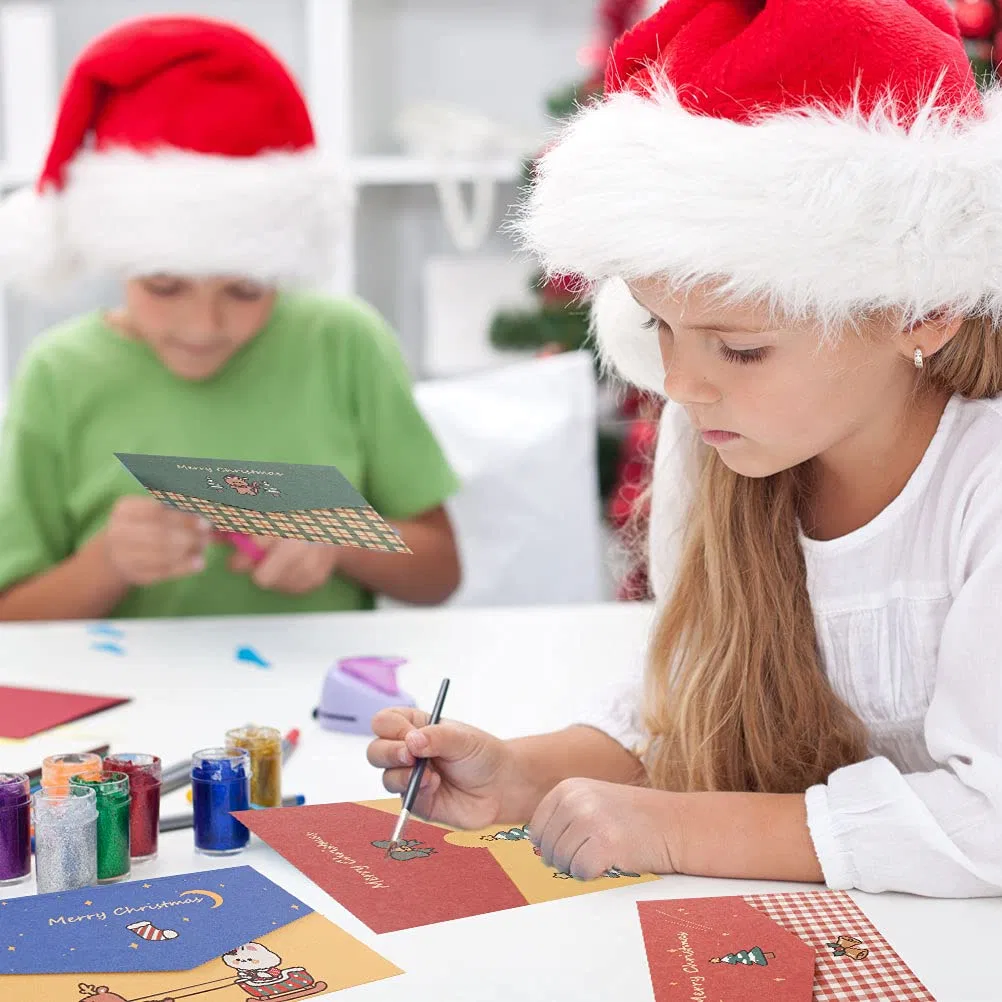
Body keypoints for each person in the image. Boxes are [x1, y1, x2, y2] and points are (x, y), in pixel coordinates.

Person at [368, 0, 1002, 898]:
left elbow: (991, 822)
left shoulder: (986, 487)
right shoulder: (721, 445)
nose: (685, 382)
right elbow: (686, 711)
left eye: (740, 346)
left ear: (924, 308)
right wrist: (521, 771)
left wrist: (674, 828)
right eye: (658, 324)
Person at [0, 15, 460, 620]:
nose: (203, 326)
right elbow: (11, 614)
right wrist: (106, 562)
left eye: (245, 290)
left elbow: (440, 572)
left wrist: (342, 538)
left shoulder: (344, 341)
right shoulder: (60, 372)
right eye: (164, 286)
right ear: (118, 259)